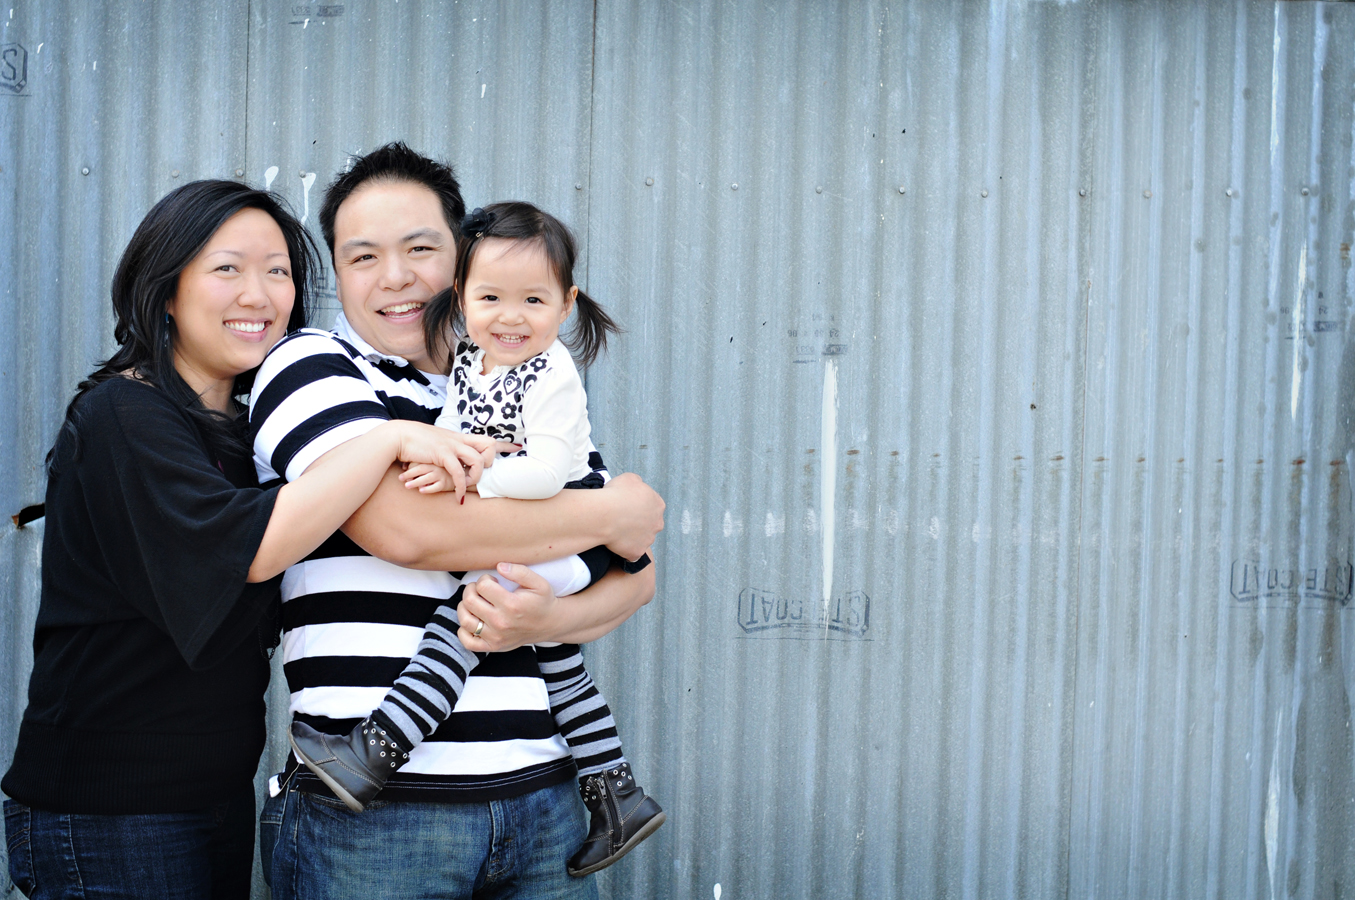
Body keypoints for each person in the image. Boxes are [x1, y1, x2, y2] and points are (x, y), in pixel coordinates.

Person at [1, 179, 498, 900]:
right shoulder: (122, 414)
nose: (259, 295)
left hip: (210, 795)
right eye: (227, 268)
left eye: (278, 272)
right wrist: (388, 437)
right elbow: (253, 547)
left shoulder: (243, 435)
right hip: (107, 810)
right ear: (166, 288)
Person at [251, 142, 664, 900]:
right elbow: (411, 533)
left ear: (465, 260)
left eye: (421, 249)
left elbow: (631, 574)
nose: (397, 277)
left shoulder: (515, 380)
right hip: (377, 820)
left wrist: (547, 615)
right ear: (337, 274)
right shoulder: (312, 364)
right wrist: (610, 509)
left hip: (545, 802)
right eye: (363, 255)